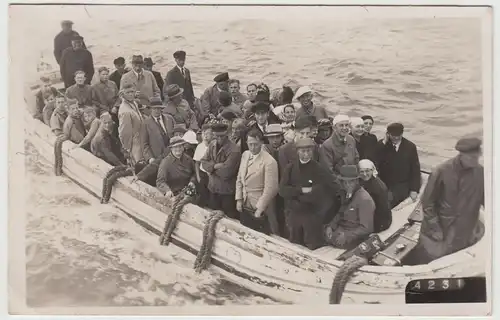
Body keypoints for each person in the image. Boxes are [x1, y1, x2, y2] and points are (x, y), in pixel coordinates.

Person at [410, 137, 484, 264]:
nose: (475, 161)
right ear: (462, 155)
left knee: (458, 261)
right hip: (442, 229)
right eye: (472, 158)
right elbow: (428, 203)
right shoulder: (441, 171)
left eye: (477, 157)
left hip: (466, 229)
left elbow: (486, 199)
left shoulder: (480, 172)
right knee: (430, 258)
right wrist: (435, 228)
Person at [279, 138, 339, 250]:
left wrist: (296, 195)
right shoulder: (290, 168)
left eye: (308, 151)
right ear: (297, 152)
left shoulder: (318, 169)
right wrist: (301, 190)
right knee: (294, 245)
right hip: (294, 216)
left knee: (312, 246)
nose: (306, 154)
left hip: (311, 216)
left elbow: (319, 193)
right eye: (303, 151)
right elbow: (282, 190)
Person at [236, 129, 280, 235]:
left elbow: (271, 189)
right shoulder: (245, 155)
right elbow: (239, 178)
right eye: (250, 144)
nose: (252, 147)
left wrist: (260, 209)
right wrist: (239, 199)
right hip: (246, 204)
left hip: (261, 206)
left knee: (264, 234)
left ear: (261, 142)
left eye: (255, 144)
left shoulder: (269, 162)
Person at [323, 165, 375, 250]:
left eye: (351, 182)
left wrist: (347, 236)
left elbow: (366, 228)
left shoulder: (364, 199)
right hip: (341, 229)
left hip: (354, 236)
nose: (347, 185)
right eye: (344, 182)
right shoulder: (347, 193)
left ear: (356, 181)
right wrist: (331, 226)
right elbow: (340, 213)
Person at [201, 122, 242, 219]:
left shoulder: (234, 150)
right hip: (213, 189)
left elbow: (226, 173)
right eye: (216, 136)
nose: (219, 139)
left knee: (229, 219)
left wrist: (210, 169)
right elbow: (203, 162)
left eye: (222, 136)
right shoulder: (212, 144)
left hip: (227, 192)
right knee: (213, 218)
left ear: (227, 134)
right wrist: (215, 166)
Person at [376, 123, 421, 208]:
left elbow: (415, 169)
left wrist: (414, 189)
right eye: (393, 135)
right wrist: (384, 143)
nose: (396, 138)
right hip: (385, 183)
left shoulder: (410, 147)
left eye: (398, 135)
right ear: (388, 134)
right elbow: (376, 162)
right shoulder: (381, 145)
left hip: (403, 184)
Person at [319, 114, 359, 182]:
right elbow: (328, 172)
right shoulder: (327, 145)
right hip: (337, 183)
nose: (344, 128)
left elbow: (356, 158)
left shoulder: (351, 139)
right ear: (334, 128)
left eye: (346, 125)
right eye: (341, 125)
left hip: (352, 179)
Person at [358, 159, 392, 232]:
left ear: (372, 170)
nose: (364, 174)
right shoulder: (361, 181)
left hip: (379, 220)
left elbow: (382, 211)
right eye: (361, 171)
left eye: (367, 171)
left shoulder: (379, 187)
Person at [118, 83, 145, 166]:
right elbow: (124, 133)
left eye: (132, 92)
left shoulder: (133, 103)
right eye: (127, 92)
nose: (130, 94)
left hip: (141, 139)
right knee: (137, 165)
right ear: (123, 94)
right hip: (134, 143)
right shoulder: (125, 111)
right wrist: (127, 150)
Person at [142, 97, 173, 164]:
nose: (156, 110)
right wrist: (150, 158)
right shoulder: (145, 123)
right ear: (150, 109)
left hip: (173, 154)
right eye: (154, 108)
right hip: (158, 158)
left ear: (161, 109)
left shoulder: (169, 119)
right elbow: (145, 144)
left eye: (158, 108)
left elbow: (176, 134)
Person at [193, 124, 214, 207]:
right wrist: (198, 177)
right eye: (203, 133)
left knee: (212, 197)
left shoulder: (214, 146)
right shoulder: (199, 147)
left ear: (212, 135)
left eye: (208, 133)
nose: (205, 136)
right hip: (203, 174)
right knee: (202, 195)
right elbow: (197, 163)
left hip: (213, 174)